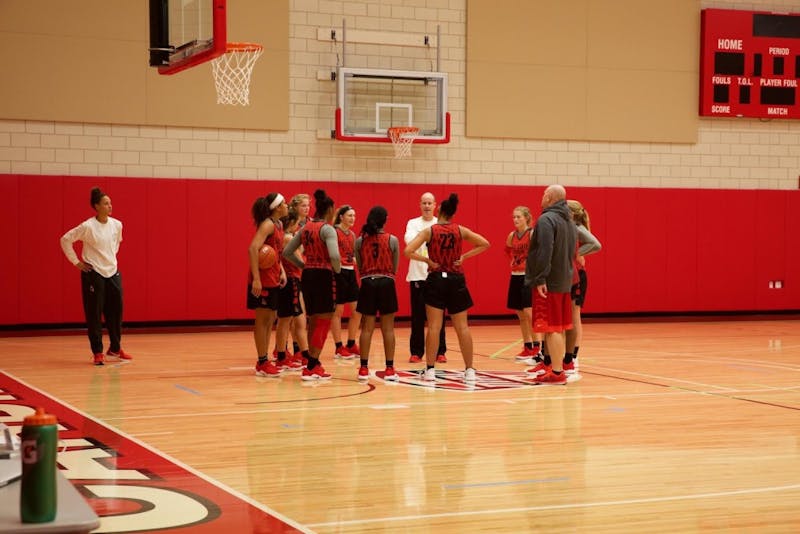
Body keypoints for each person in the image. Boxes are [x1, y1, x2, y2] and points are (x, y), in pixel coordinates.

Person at [404, 193, 490, 383]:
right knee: (463, 328)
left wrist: (426, 260)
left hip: (436, 280)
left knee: (434, 327)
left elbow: (407, 251)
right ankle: (469, 370)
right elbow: (485, 243)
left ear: (440, 210)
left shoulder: (430, 231)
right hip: (456, 279)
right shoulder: (460, 230)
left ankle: (430, 370)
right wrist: (465, 257)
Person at [60, 187, 131, 366]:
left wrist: (109, 260)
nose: (110, 206)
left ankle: (115, 347)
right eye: (106, 203)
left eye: (110, 203)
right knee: (94, 313)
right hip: (94, 274)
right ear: (96, 206)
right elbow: (65, 239)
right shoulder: (87, 226)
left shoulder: (117, 225)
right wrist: (76, 262)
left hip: (112, 272)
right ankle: (98, 352)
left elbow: (116, 244)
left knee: (116, 312)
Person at [283, 189, 341, 381]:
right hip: (324, 275)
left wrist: (303, 265)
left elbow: (287, 252)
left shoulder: (305, 228)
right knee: (324, 320)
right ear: (331, 209)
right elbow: (333, 255)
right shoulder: (327, 229)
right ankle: (312, 365)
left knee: (313, 320)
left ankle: (312, 363)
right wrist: (338, 271)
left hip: (308, 275)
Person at [524, 185, 578, 385]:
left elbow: (544, 251)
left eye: (544, 194)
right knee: (558, 327)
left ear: (550, 198)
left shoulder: (547, 219)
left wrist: (540, 278)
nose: (542, 198)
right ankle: (553, 367)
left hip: (550, 282)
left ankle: (556, 373)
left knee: (552, 328)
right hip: (564, 279)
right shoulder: (569, 220)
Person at [354, 206, 400, 382]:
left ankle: (363, 368)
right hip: (386, 282)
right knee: (388, 329)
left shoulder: (359, 241)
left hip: (367, 282)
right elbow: (394, 267)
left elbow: (359, 265)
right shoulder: (392, 240)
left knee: (367, 328)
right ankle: (389, 369)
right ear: (385, 220)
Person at [248, 193, 288, 377]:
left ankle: (264, 360)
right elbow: (253, 248)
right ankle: (262, 361)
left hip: (273, 277)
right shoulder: (268, 224)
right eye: (284, 203)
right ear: (277, 207)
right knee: (263, 321)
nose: (287, 206)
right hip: (262, 279)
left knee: (271, 318)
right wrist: (256, 278)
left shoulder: (279, 224)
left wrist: (281, 270)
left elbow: (275, 252)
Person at [404, 192, 447, 363]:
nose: (427, 206)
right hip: (417, 276)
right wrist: (426, 238)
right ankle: (416, 351)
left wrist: (423, 239)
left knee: (438, 317)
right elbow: (410, 242)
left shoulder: (440, 223)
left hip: (436, 276)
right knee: (417, 316)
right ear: (420, 205)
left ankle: (440, 351)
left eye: (430, 203)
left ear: (435, 205)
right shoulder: (412, 223)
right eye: (424, 203)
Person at [564, 199, 602, 374]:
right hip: (570, 274)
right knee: (570, 315)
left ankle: (574, 353)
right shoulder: (569, 228)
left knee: (575, 315)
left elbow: (596, 244)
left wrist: (577, 253)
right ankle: (567, 352)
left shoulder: (577, 228)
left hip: (578, 275)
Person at [505, 206, 543, 361]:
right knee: (520, 314)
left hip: (528, 276)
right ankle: (527, 346)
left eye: (519, 217)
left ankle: (537, 347)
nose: (515, 220)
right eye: (514, 217)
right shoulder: (511, 235)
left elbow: (540, 252)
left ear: (527, 218)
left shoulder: (532, 234)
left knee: (529, 313)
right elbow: (508, 250)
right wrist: (513, 260)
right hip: (515, 275)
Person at [274, 206, 310, 370]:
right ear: (292, 223)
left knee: (286, 320)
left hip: (290, 281)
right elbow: (299, 259)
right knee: (293, 321)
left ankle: (284, 355)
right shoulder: (288, 238)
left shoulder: (286, 236)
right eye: (297, 223)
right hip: (291, 279)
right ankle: (302, 355)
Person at [330, 205, 362, 359]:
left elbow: (354, 255)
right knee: (338, 311)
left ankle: (351, 343)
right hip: (338, 272)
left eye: (354, 215)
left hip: (350, 272)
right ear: (341, 217)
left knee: (357, 311)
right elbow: (332, 254)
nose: (352, 218)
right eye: (349, 215)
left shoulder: (353, 235)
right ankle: (338, 346)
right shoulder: (334, 232)